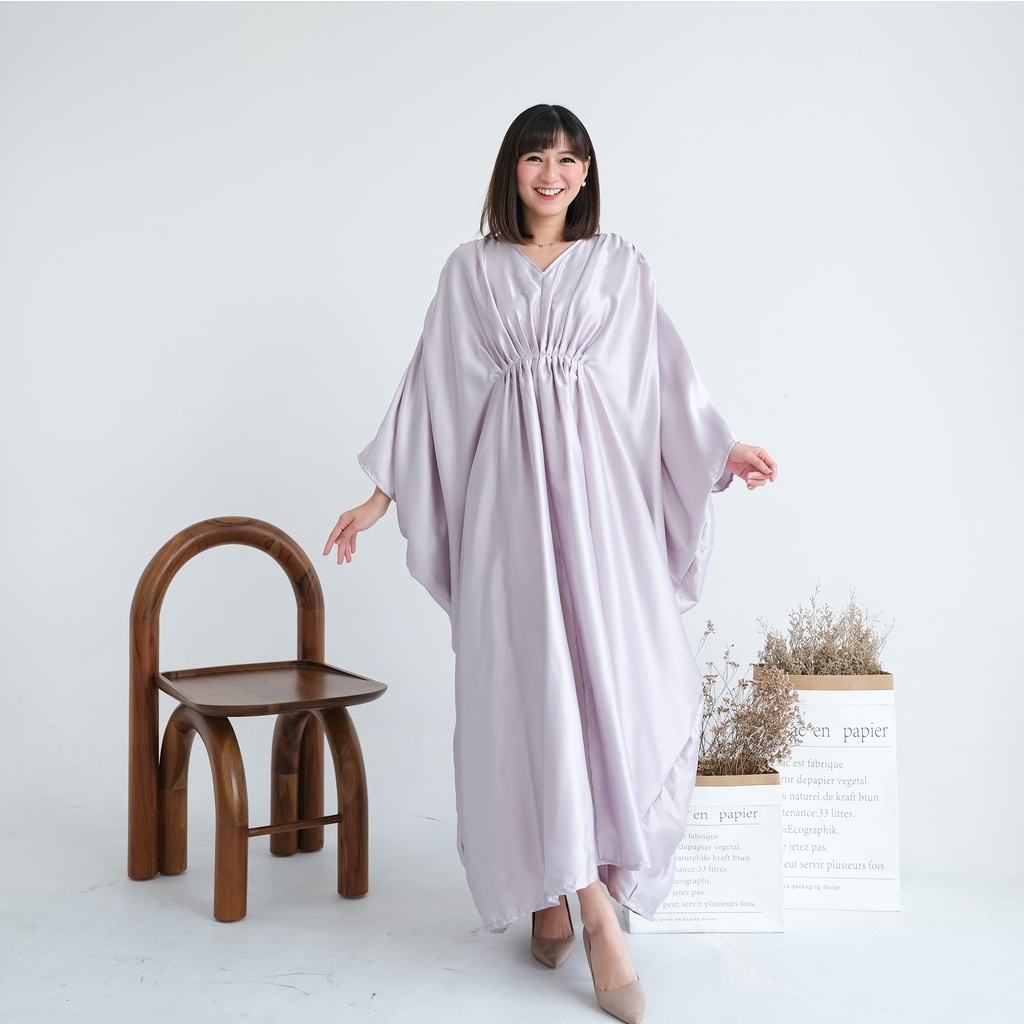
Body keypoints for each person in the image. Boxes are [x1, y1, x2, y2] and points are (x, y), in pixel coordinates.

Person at [325, 103, 776, 1024]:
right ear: (513, 170)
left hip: (602, 510)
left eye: (569, 159)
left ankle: (571, 888)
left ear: (587, 172)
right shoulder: (469, 272)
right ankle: (579, 904)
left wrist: (719, 447)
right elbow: (427, 393)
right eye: (537, 157)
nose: (553, 174)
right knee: (527, 688)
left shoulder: (619, 267)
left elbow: (665, 379)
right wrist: (378, 498)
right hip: (506, 515)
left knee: (611, 683)